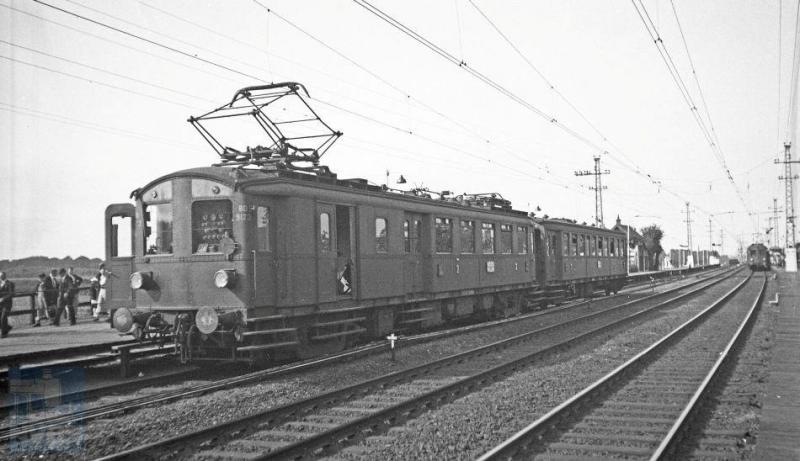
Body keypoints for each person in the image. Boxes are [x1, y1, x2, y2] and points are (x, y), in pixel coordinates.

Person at [0, 272, 15, 338]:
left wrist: (3, 298)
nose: (1, 277)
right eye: (0, 276)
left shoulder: (10, 283)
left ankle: (3, 334)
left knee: (3, 317)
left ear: (5, 276)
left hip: (7, 304)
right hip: (0, 304)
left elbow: (11, 293)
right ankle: (8, 327)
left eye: (2, 275)